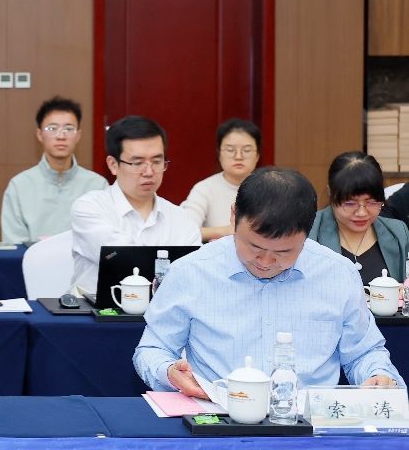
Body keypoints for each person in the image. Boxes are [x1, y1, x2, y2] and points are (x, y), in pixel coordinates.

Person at [135, 167, 401, 394]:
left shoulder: (338, 274)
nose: (265, 261)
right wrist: (168, 371)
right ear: (233, 216)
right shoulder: (190, 272)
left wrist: (377, 375)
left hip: (310, 423)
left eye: (283, 252)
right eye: (254, 247)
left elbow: (364, 352)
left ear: (307, 233)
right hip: (216, 417)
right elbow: (153, 349)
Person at [70, 116, 200, 296]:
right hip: (94, 312)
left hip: (164, 311)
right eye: (137, 163)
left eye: (157, 162)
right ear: (113, 165)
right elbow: (120, 259)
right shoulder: (90, 207)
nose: (149, 172)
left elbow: (194, 273)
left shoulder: (181, 218)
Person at [0, 96, 108, 244]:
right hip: (32, 259)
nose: (61, 136)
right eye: (52, 128)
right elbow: (14, 243)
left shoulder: (97, 185)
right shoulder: (19, 186)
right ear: (39, 135)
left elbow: (103, 239)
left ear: (78, 135)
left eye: (69, 129)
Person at [308, 151, 409, 285]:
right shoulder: (309, 230)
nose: (362, 213)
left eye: (371, 202)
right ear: (331, 193)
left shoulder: (397, 232)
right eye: (350, 203)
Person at [182, 118, 261, 242]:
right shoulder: (204, 189)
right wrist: (226, 231)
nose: (238, 156)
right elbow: (184, 230)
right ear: (219, 154)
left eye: (246, 150)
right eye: (230, 150)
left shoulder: (269, 188)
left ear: (257, 156)